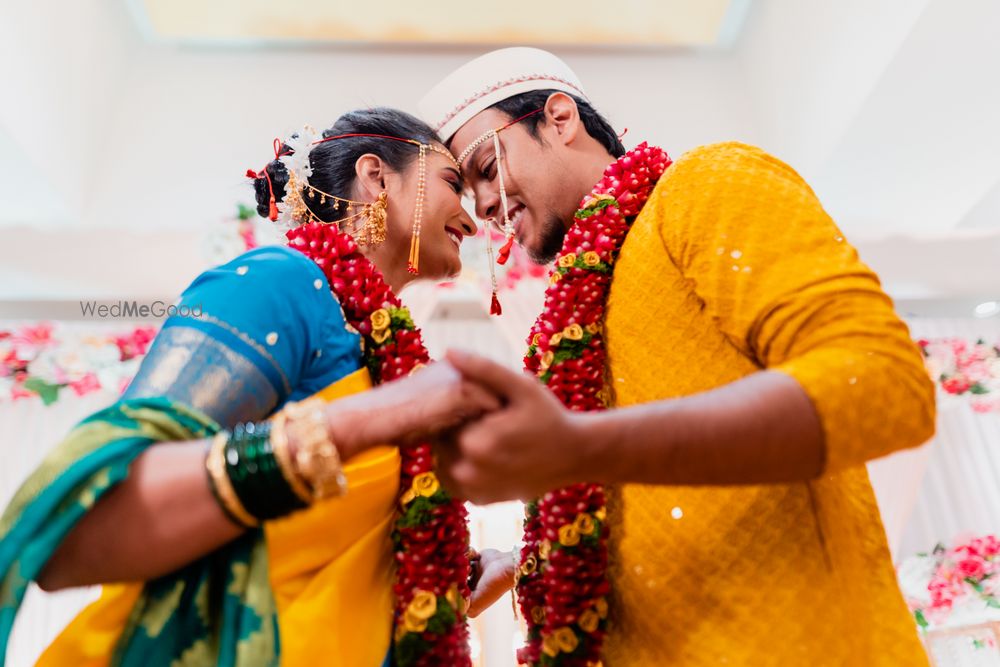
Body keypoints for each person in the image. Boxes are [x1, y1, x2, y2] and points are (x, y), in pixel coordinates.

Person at [417, 47, 937, 666]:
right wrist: (529, 561)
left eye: (484, 168)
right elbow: (637, 494)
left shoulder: (703, 185)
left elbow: (883, 382)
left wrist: (579, 445)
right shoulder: (567, 321)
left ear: (559, 119)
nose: (483, 208)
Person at [0, 108, 502, 667]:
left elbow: (310, 567)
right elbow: (80, 531)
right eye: (453, 182)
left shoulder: (381, 351)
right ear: (377, 176)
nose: (474, 217)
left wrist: (455, 576)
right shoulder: (282, 284)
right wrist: (366, 421)